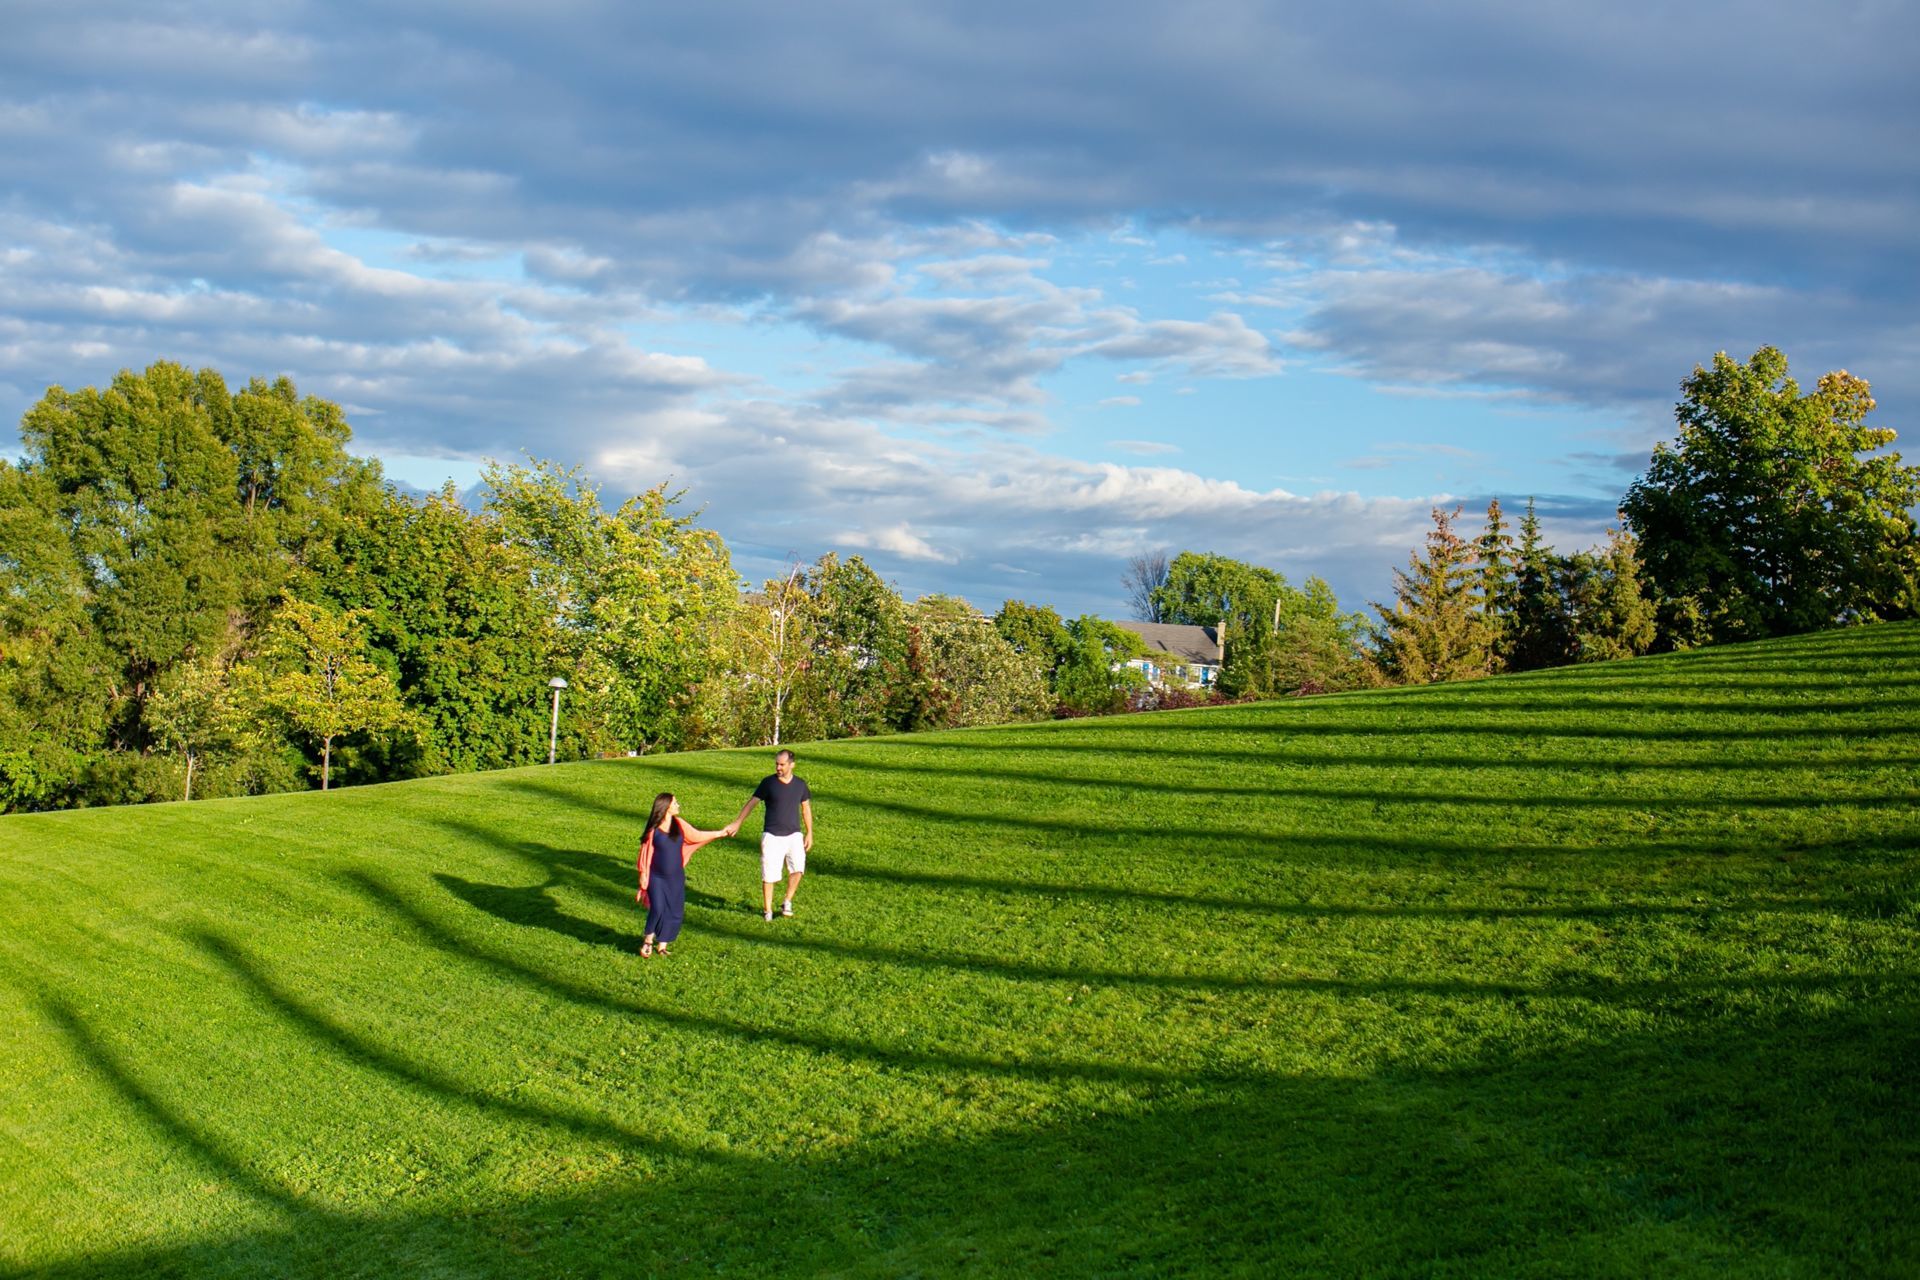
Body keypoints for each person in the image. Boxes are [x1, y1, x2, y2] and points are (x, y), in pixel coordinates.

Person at [636, 792, 736, 957]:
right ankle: (648, 941)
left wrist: (721, 833)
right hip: (657, 877)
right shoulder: (654, 830)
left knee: (673, 910)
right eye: (675, 803)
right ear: (666, 807)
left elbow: (698, 836)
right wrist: (643, 877)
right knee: (658, 908)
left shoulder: (680, 824)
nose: (678, 805)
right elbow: (645, 855)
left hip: (675, 877)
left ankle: (662, 945)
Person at [730, 748, 813, 922]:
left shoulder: (800, 785)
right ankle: (767, 911)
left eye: (782, 764)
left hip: (794, 835)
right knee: (769, 875)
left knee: (798, 869)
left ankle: (787, 901)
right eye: (776, 764)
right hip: (772, 836)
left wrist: (809, 833)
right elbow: (752, 803)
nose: (778, 767)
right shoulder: (768, 783)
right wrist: (738, 822)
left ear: (792, 765)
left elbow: (806, 809)